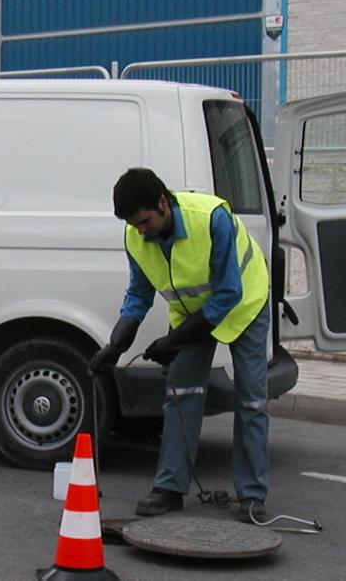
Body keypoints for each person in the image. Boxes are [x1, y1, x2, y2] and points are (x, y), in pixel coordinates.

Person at [89, 167, 271, 523]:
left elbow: (227, 295)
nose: (140, 231)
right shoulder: (135, 236)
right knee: (180, 396)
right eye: (134, 225)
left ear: (162, 203)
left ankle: (252, 495)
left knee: (250, 400)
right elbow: (138, 296)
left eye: (144, 221)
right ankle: (170, 489)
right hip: (190, 315)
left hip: (245, 303)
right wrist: (116, 344)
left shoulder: (212, 218)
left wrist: (173, 341)